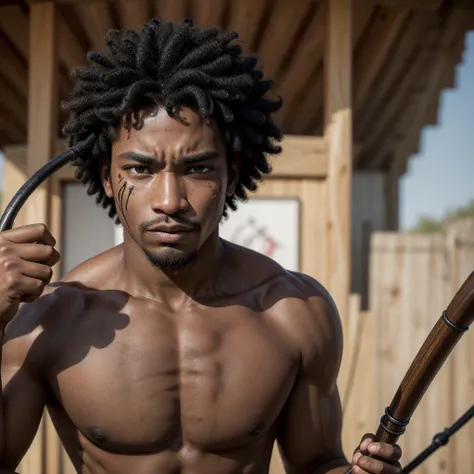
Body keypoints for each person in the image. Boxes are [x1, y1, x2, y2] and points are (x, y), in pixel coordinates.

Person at [0, 19, 402, 474]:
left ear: (231, 174)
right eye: (140, 169)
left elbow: (315, 463)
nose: (169, 201)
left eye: (197, 169)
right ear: (108, 177)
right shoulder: (49, 319)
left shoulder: (295, 312)